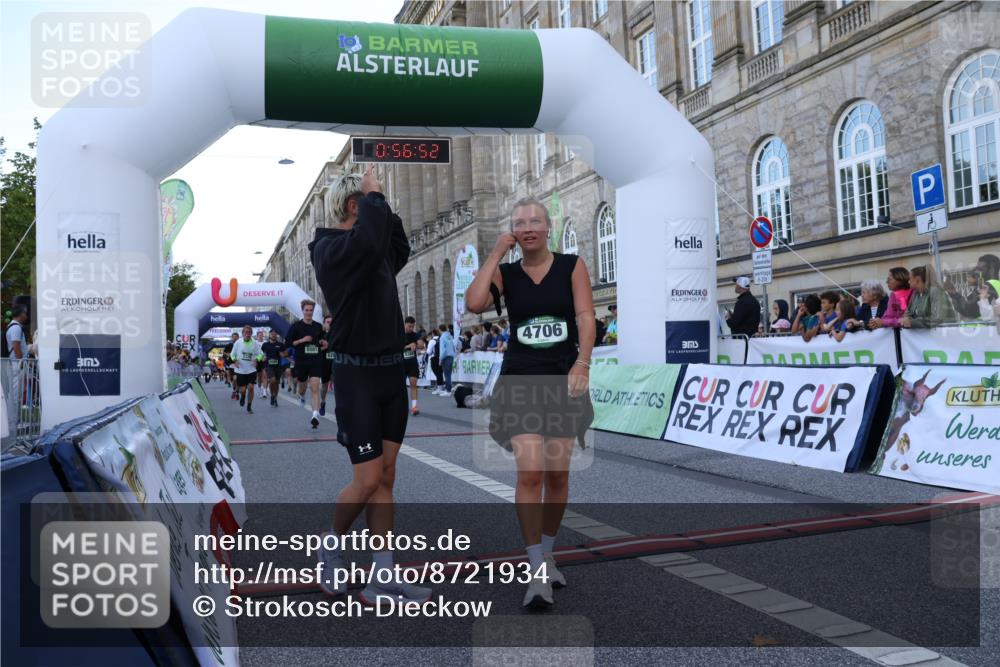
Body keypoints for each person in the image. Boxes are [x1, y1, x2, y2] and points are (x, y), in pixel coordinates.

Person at [464, 197, 596, 610]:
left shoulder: (572, 266)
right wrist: (496, 252)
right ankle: (535, 567)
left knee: (558, 476)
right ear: (513, 231)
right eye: (519, 223)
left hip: (562, 379)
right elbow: (473, 304)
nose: (528, 227)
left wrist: (583, 363)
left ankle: (550, 553)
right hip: (520, 380)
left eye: (535, 220)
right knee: (531, 471)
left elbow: (586, 317)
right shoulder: (505, 273)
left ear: (548, 226)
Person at [308, 165, 429, 605]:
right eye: (369, 203)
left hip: (389, 370)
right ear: (355, 207)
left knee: (387, 476)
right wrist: (373, 197)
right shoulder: (329, 249)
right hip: (355, 373)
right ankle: (330, 546)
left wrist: (382, 204)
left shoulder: (371, 247)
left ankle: (383, 572)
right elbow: (369, 242)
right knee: (368, 477)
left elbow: (396, 246)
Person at [286, 300, 327, 428]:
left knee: (315, 388)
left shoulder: (318, 326)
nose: (309, 312)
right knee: (303, 388)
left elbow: (321, 340)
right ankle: (301, 395)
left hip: (315, 360)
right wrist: (302, 340)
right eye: (307, 310)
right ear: (302, 311)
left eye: (311, 310)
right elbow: (289, 344)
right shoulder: (296, 326)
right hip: (301, 361)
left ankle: (315, 415)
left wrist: (323, 342)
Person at [944, 254, 1000, 319]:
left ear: (991, 270)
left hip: (981, 328)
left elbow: (967, 309)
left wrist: (953, 293)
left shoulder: (985, 287)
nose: (976, 272)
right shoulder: (997, 284)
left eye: (980, 269)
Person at [230, 325, 264, 414]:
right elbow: (232, 355)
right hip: (240, 370)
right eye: (246, 332)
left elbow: (261, 354)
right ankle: (243, 396)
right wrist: (235, 360)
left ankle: (249, 405)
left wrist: (257, 359)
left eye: (249, 332)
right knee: (243, 389)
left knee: (251, 387)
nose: (247, 334)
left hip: (251, 369)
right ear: (242, 333)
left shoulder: (255, 343)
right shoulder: (238, 343)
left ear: (251, 334)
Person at [261, 329, 287, 407]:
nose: (273, 335)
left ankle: (274, 397)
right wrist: (263, 357)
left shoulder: (280, 344)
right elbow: (261, 354)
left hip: (278, 366)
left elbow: (284, 354)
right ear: (269, 335)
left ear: (277, 335)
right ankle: (272, 394)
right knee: (272, 380)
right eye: (272, 334)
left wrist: (283, 354)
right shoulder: (265, 345)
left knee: (276, 383)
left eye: (275, 334)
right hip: (269, 365)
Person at [403, 316, 421, 415]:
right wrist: (408, 347)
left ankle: (414, 407)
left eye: (413, 326)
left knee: (413, 383)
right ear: (405, 324)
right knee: (400, 387)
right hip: (401, 364)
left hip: (412, 364)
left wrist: (418, 344)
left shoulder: (414, 335)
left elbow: (421, 344)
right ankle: (401, 406)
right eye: (409, 326)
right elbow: (395, 348)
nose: (411, 328)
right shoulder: (398, 334)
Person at [320, 314, 335, 416]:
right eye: (328, 322)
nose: (330, 324)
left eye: (332, 322)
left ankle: (339, 407)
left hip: (336, 363)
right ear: (324, 324)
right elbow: (316, 350)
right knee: (324, 387)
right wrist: (325, 347)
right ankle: (322, 402)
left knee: (338, 385)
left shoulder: (338, 334)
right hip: (324, 363)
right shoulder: (320, 336)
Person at [438, 322, 456, 395]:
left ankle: (448, 391)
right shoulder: (450, 336)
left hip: (446, 357)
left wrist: (440, 359)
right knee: (449, 374)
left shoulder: (442, 337)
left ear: (440, 330)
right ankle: (449, 389)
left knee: (446, 374)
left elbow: (443, 350)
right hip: (451, 356)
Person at [223, 332, 239, 398]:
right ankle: (235, 390)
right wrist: (228, 355)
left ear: (238, 337)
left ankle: (236, 391)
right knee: (234, 379)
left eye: (236, 337)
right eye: (233, 337)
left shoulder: (241, 345)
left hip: (239, 363)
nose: (235, 338)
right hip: (231, 363)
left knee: (237, 378)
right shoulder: (229, 345)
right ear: (232, 338)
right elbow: (224, 352)